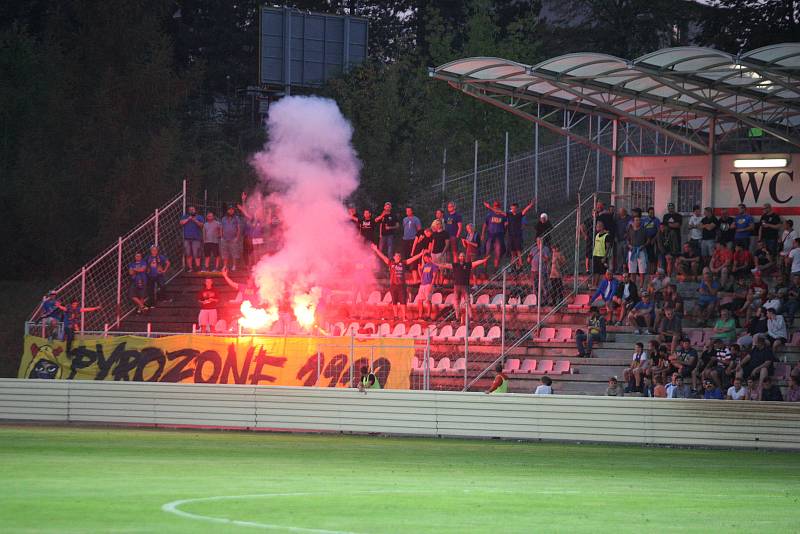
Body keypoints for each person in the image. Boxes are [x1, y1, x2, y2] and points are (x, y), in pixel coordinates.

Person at [371, 244, 425, 321]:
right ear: (394, 257)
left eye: (399, 256)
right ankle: (395, 316)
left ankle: (404, 316)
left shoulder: (403, 263)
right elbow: (383, 257)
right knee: (394, 302)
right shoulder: (390, 263)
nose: (398, 257)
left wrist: (420, 254)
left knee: (403, 302)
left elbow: (412, 259)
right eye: (396, 256)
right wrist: (376, 250)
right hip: (393, 285)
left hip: (401, 286)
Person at [434, 252, 490, 323]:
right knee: (457, 303)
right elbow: (446, 265)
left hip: (465, 286)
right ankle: (457, 317)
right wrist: (436, 263)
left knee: (467, 302)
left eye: (463, 256)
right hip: (456, 286)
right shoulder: (455, 265)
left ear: (464, 257)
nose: (462, 257)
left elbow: (476, 263)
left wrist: (484, 260)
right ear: (458, 257)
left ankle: (471, 317)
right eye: (460, 256)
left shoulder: (468, 264)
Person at [506, 201, 535, 267]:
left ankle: (520, 263)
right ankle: (513, 263)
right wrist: (490, 207)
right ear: (511, 208)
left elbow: (525, 210)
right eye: (512, 208)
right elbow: (500, 212)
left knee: (518, 250)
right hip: (511, 235)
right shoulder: (508, 214)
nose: (513, 209)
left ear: (517, 208)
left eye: (514, 208)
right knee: (512, 250)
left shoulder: (519, 215)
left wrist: (530, 205)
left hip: (517, 235)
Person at [481, 201, 507, 271]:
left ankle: (495, 270)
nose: (496, 207)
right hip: (490, 235)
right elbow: (485, 224)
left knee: (497, 253)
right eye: (495, 206)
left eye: (497, 206)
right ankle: (484, 269)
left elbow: (506, 224)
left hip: (499, 236)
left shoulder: (503, 215)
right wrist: (482, 234)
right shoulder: (490, 215)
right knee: (487, 252)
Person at [180, 206, 205, 272]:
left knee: (196, 254)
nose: (191, 210)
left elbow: (202, 225)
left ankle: (198, 267)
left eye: (192, 209)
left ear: (195, 210)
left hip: (196, 239)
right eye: (190, 209)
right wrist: (188, 219)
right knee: (188, 254)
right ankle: (190, 268)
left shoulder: (199, 217)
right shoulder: (185, 216)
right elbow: (181, 223)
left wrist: (195, 220)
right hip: (187, 238)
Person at [626, 214, 648, 287]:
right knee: (632, 270)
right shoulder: (630, 229)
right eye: (636, 220)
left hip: (641, 251)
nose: (638, 221)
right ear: (633, 221)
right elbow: (627, 239)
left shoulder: (644, 229)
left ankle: (641, 285)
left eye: (639, 220)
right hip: (632, 251)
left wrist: (644, 245)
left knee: (642, 270)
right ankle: (633, 285)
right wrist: (629, 245)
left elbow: (648, 240)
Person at [416, 253, 439, 320]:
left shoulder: (434, 266)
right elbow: (421, 275)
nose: (425, 260)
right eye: (424, 258)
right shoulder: (425, 265)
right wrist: (419, 270)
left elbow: (434, 276)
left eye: (426, 258)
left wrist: (431, 285)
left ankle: (428, 316)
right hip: (422, 284)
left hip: (429, 284)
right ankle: (420, 315)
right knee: (419, 300)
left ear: (429, 258)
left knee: (428, 301)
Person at [220, 205, 241, 272]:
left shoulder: (236, 218)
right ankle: (225, 266)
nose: (231, 211)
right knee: (224, 253)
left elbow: (239, 228)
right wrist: (221, 237)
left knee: (234, 253)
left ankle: (234, 266)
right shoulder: (223, 218)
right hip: (224, 239)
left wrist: (237, 237)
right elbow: (221, 228)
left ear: (234, 211)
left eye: (232, 209)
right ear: (227, 210)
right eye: (229, 209)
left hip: (233, 239)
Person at [591, 220, 612, 284]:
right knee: (596, 272)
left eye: (598, 226)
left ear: (602, 227)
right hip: (596, 255)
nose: (597, 227)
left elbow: (608, 248)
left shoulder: (606, 236)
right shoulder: (597, 235)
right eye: (596, 226)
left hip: (602, 256)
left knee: (602, 272)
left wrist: (605, 257)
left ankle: (603, 285)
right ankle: (595, 284)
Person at [613, 207, 630, 274]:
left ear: (624, 212)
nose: (619, 213)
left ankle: (625, 270)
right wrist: (616, 237)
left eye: (621, 212)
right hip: (619, 240)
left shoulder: (629, 219)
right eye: (619, 212)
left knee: (626, 255)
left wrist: (627, 234)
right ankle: (619, 270)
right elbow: (616, 229)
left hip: (626, 240)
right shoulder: (618, 220)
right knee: (619, 255)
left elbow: (630, 227)